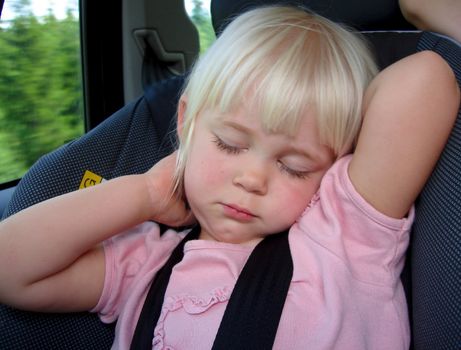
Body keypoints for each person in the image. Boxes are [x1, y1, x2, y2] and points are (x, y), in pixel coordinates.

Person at [0, 5, 459, 349]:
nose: (252, 177)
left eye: (294, 166)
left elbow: (427, 80)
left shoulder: (342, 239)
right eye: (229, 144)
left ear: (334, 169)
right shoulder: (146, 264)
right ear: (186, 125)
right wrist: (146, 193)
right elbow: (10, 267)